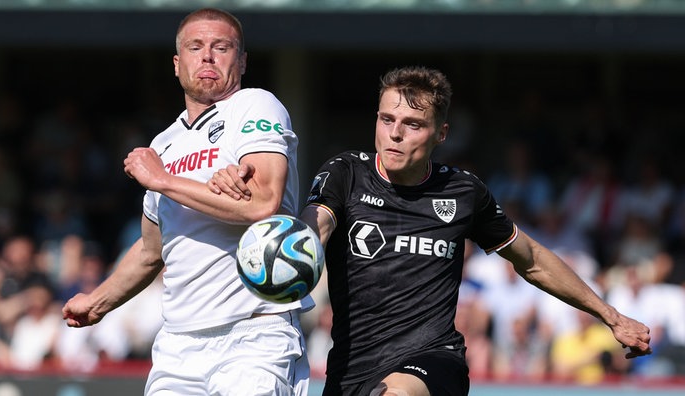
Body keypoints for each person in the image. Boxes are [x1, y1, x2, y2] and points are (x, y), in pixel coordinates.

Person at [209, 66, 652, 396]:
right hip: (351, 370)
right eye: (387, 120)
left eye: (413, 125)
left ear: (441, 133)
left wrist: (611, 315)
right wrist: (291, 248)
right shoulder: (345, 173)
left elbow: (532, 260)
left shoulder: (463, 191)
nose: (395, 134)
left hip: (434, 362)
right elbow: (317, 224)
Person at [61, 8, 312, 395]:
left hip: (254, 334)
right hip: (178, 344)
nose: (208, 56)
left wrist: (162, 180)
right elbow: (150, 250)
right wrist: (98, 302)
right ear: (178, 65)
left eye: (221, 47)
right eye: (195, 47)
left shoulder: (254, 105)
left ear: (242, 61)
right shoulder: (164, 143)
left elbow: (262, 203)